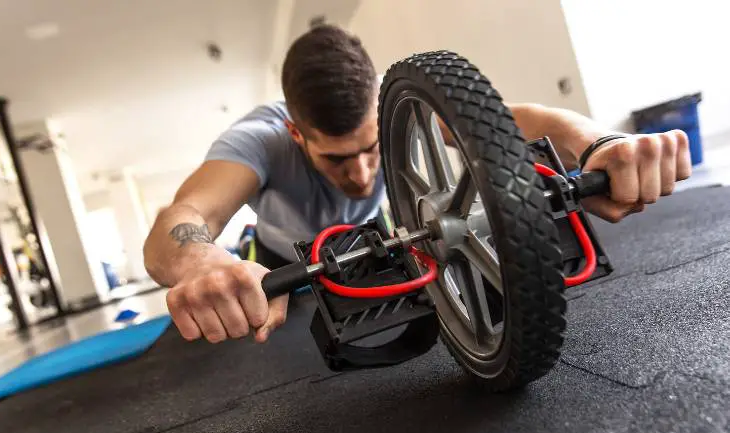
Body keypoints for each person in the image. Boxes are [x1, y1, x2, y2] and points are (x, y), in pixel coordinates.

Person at [143, 24, 692, 345]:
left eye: (370, 149)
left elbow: (527, 120)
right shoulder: (260, 138)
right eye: (337, 159)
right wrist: (201, 264)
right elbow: (184, 215)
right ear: (295, 132)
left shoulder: (396, 107)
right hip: (279, 261)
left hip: (375, 238)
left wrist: (602, 145)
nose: (361, 174)